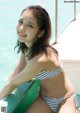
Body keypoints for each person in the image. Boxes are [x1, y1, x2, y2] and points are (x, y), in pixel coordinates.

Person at [0, 5, 79, 113]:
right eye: (21, 21)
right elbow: (16, 72)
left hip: (64, 99)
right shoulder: (27, 48)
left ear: (41, 32)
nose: (22, 28)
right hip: (44, 99)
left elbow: (13, 83)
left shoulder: (41, 59)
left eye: (30, 25)